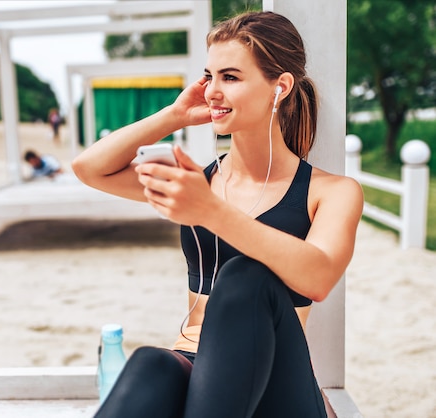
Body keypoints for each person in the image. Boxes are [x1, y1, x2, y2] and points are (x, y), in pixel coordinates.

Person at [72, 11, 363, 418]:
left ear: (279, 87)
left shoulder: (331, 191)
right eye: (209, 76)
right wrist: (172, 116)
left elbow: (318, 276)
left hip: (280, 387)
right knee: (150, 363)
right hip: (195, 369)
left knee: (247, 277)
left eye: (230, 77)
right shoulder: (199, 182)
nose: (212, 91)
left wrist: (210, 212)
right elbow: (90, 168)